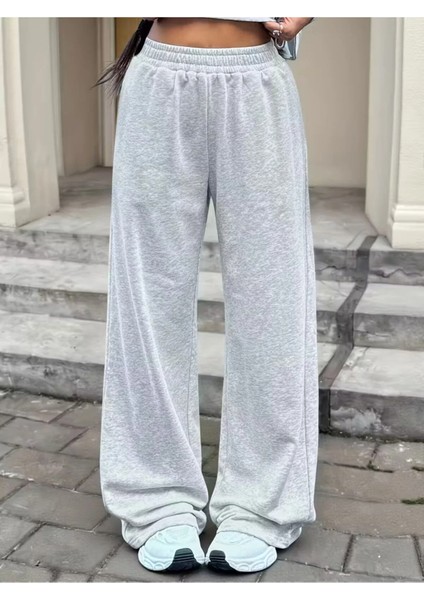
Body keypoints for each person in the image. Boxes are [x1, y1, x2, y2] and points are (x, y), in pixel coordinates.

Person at [97, 16, 318, 575]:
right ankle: (156, 497)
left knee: (273, 301)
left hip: (257, 81)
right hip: (159, 81)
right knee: (147, 299)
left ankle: (261, 503)